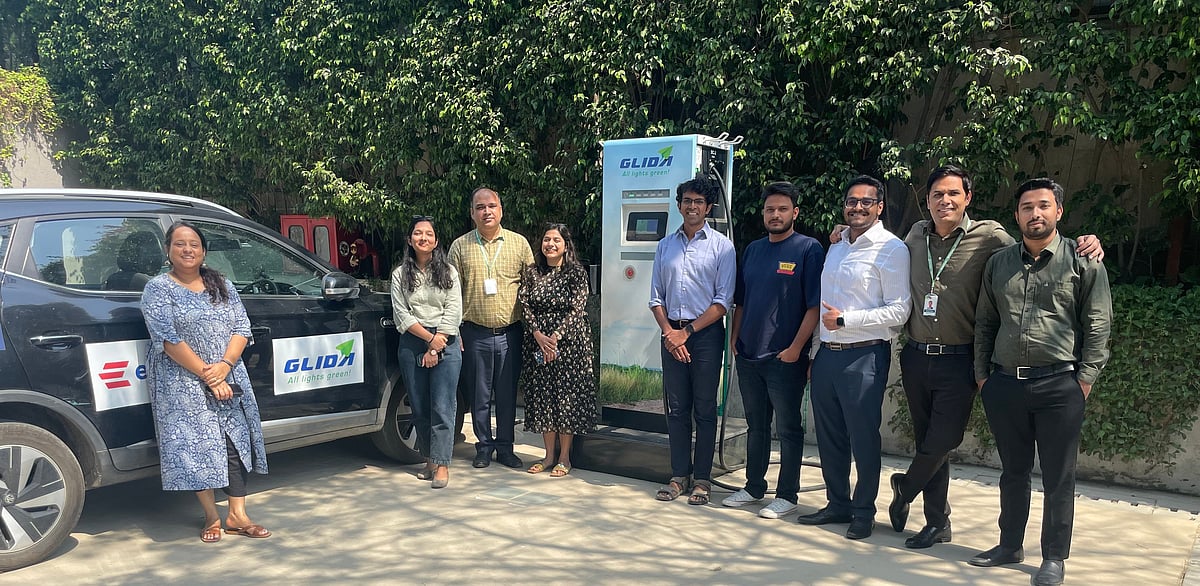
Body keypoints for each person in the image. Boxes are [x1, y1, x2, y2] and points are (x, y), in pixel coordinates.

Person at [884, 166, 1103, 549]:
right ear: (928, 200)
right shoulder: (915, 235)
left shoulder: (991, 237)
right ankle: (938, 522)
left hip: (961, 359)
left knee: (945, 440)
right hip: (917, 355)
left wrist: (1089, 242)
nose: (945, 201)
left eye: (953, 193)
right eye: (937, 194)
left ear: (968, 198)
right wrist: (840, 234)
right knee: (928, 443)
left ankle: (906, 487)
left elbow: (1041, 250)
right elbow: (880, 253)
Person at [970, 178, 1112, 586]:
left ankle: (1053, 557)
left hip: (1059, 387)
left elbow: (1098, 325)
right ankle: (1009, 544)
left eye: (1043, 206)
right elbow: (985, 322)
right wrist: (983, 377)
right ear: (1016, 216)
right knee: (1012, 471)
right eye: (1027, 207)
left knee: (1058, 476)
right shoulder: (999, 263)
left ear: (1058, 212)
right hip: (1005, 386)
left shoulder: (1083, 260)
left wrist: (1083, 380)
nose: (1035, 214)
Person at [141, 221, 270, 544]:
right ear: (168, 250)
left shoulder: (221, 284)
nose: (188, 250)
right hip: (181, 381)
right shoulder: (158, 289)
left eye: (194, 244)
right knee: (197, 446)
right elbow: (167, 339)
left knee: (233, 442)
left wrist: (224, 366)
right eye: (180, 244)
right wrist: (208, 375)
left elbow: (242, 327)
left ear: (204, 251)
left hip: (228, 374)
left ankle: (238, 516)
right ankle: (212, 516)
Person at [798, 175, 911, 539]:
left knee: (863, 439)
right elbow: (822, 303)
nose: (857, 207)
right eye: (852, 201)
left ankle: (863, 511)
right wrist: (816, 351)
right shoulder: (837, 245)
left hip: (865, 357)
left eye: (866, 202)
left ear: (879, 207)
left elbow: (899, 310)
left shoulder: (892, 249)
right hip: (828, 356)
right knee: (829, 436)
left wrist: (847, 320)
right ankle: (838, 503)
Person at [722, 181, 823, 519]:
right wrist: (734, 339)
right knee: (757, 425)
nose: (775, 215)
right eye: (770, 209)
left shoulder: (808, 249)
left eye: (782, 209)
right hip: (749, 354)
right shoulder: (753, 250)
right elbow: (741, 300)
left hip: (785, 358)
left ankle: (787, 494)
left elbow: (814, 307)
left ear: (795, 212)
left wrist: (797, 348)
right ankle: (753, 487)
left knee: (790, 428)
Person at [649, 175, 736, 506]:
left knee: (704, 409)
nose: (692, 206)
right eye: (687, 200)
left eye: (699, 202)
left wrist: (687, 333)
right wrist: (670, 333)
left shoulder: (721, 247)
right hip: (671, 333)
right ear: (679, 204)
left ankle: (702, 479)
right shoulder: (665, 246)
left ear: (709, 207)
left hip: (705, 336)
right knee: (676, 408)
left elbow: (722, 301)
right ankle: (678, 475)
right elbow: (656, 297)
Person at [448, 186, 535, 469]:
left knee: (508, 395)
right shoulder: (460, 246)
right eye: (480, 207)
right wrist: (455, 329)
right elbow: (450, 291)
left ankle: (506, 447)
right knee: (479, 395)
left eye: (492, 206)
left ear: (501, 210)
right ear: (472, 213)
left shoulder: (519, 243)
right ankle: (483, 447)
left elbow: (531, 288)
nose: (487, 211)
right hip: (474, 333)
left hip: (510, 332)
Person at [519, 223, 597, 478]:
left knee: (566, 399)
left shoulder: (575, 272)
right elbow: (525, 304)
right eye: (546, 239)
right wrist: (539, 335)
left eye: (556, 240)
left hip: (570, 343)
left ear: (566, 245)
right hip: (538, 341)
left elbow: (577, 307)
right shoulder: (532, 272)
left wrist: (555, 338)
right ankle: (548, 455)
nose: (550, 244)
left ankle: (564, 457)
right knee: (544, 399)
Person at [391, 216, 462, 489]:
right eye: (418, 234)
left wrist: (438, 341)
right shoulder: (399, 274)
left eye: (429, 234)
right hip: (413, 341)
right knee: (419, 405)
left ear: (436, 240)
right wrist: (429, 340)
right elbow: (402, 315)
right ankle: (429, 459)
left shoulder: (449, 272)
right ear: (410, 240)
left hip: (447, 340)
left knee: (443, 405)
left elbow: (454, 309)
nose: (424, 238)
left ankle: (442, 464)